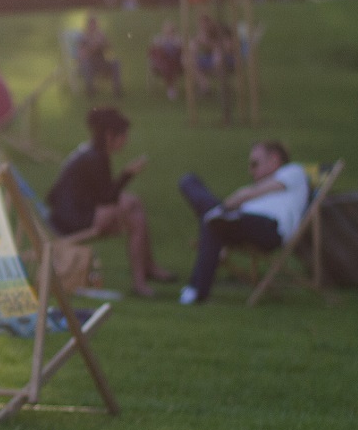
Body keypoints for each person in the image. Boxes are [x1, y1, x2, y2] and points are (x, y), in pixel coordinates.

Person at [45, 107, 172, 296]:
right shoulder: (95, 158)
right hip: (70, 222)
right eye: (123, 136)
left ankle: (146, 271)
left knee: (134, 204)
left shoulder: (91, 152)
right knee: (133, 215)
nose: (125, 141)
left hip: (69, 214)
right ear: (109, 135)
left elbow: (99, 194)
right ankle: (142, 278)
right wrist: (128, 173)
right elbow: (108, 197)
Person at [177, 140, 309, 304]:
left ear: (274, 159)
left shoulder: (293, 171)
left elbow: (247, 195)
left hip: (269, 228)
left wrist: (231, 202)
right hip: (239, 221)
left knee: (215, 218)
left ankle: (195, 289)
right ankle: (197, 293)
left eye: (255, 164)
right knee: (189, 183)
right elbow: (243, 199)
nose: (250, 170)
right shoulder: (256, 189)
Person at [76, 15, 122, 97]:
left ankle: (117, 89)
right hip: (90, 64)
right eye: (92, 25)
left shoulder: (100, 35)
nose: (94, 27)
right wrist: (92, 47)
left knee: (115, 62)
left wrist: (105, 44)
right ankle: (90, 89)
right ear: (88, 26)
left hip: (101, 62)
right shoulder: (83, 37)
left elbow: (109, 51)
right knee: (86, 64)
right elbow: (81, 55)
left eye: (95, 25)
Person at [149, 20, 184, 101]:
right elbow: (153, 51)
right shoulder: (158, 38)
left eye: (171, 30)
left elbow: (181, 49)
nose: (169, 32)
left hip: (175, 62)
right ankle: (171, 87)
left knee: (170, 65)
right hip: (163, 62)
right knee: (165, 64)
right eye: (167, 30)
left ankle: (171, 87)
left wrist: (173, 42)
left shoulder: (178, 39)